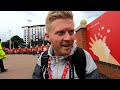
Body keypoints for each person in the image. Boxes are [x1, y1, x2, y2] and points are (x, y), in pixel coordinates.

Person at [32, 11, 100, 79]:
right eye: (61, 32)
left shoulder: (84, 57)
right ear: (48, 37)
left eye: (71, 32)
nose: (68, 38)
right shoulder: (43, 58)